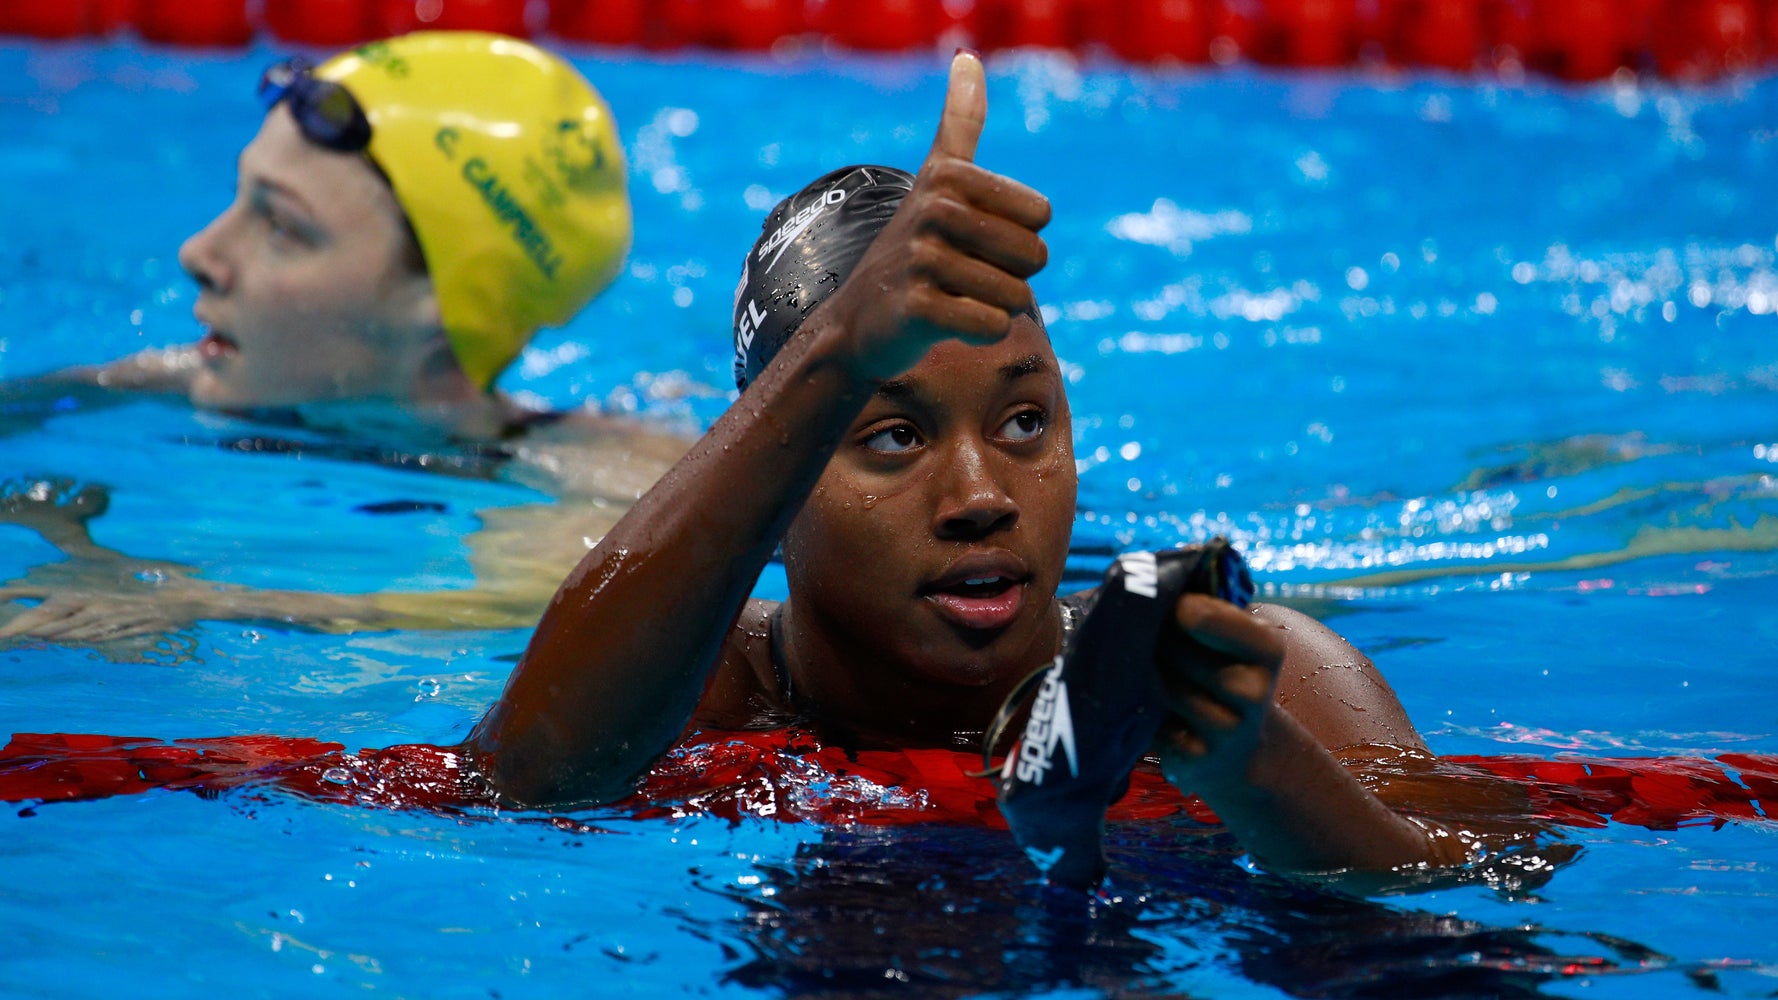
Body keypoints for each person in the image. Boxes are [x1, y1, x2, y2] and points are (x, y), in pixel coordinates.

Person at [457, 50, 1549, 885]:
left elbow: (1492, 882)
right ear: (774, 477)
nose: (981, 499)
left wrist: (1249, 764)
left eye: (1024, 422)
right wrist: (835, 351)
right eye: (890, 436)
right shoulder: (703, 688)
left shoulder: (1263, 676)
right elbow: (525, 783)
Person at [0, 32, 687, 644]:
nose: (198, 251)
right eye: (238, 200)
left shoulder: (601, 484)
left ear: (438, 303)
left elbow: (514, 601)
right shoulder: (153, 382)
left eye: (284, 228)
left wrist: (200, 600)